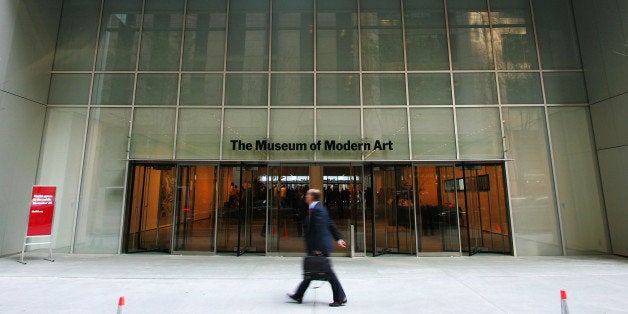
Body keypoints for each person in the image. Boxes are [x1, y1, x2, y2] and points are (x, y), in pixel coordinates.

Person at [287, 189, 348, 307]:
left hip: (319, 247)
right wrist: (338, 238)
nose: (305, 196)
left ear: (312, 197)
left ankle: (340, 298)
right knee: (310, 272)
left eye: (307, 194)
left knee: (327, 274)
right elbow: (330, 223)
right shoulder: (317, 209)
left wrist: (318, 247)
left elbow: (320, 229)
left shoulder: (318, 210)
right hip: (317, 245)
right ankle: (299, 295)